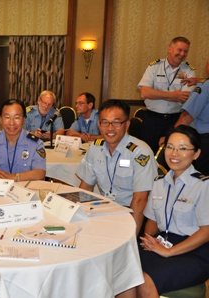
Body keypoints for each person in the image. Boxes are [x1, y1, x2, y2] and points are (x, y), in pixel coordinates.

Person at [134, 125, 209, 297]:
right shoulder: (159, 182)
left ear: (196, 153)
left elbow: (206, 232)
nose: (174, 154)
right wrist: (150, 240)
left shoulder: (204, 185)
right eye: (170, 147)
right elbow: (152, 220)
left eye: (183, 149)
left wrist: (169, 251)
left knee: (144, 280)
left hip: (195, 251)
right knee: (123, 270)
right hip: (162, 241)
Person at [76, 100, 157, 236]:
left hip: (132, 213)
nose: (110, 128)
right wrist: (77, 218)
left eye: (116, 122)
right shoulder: (95, 148)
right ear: (99, 124)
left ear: (127, 124)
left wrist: (130, 237)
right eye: (105, 122)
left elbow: (140, 200)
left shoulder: (140, 152)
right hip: (104, 210)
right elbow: (85, 188)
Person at [137, 36, 196, 154]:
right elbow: (144, 92)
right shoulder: (154, 67)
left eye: (186, 51)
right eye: (179, 50)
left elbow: (185, 97)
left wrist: (156, 93)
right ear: (170, 49)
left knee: (173, 155)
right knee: (147, 154)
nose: (182, 54)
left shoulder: (189, 71)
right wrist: (173, 95)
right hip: (152, 120)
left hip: (175, 121)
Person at [0, 99, 46, 181]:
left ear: (24, 120)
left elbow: (40, 173)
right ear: (1, 120)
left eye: (17, 117)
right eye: (7, 117)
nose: (11, 123)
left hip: (24, 190)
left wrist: (13, 177)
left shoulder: (36, 143)